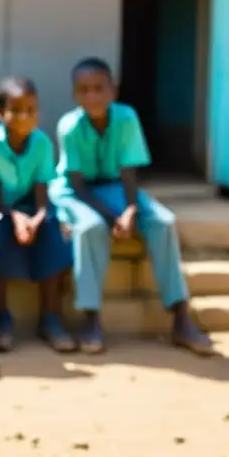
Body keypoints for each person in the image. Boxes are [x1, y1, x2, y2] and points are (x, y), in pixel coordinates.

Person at [50, 57, 213, 355]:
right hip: (75, 192)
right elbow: (78, 184)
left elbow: (129, 172)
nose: (92, 96)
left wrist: (131, 210)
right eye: (83, 90)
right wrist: (114, 217)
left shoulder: (125, 117)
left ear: (113, 90)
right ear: (75, 95)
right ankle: (90, 318)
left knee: (163, 222)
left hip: (114, 187)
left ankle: (180, 317)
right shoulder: (69, 126)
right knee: (89, 228)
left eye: (99, 88)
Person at [0, 77, 75, 353]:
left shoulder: (41, 144)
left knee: (51, 230)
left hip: (29, 208)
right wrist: (15, 219)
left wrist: (35, 220)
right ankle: (0, 317)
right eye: (16, 110)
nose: (24, 116)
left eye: (31, 109)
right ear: (0, 114)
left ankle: (51, 317)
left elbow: (42, 197)